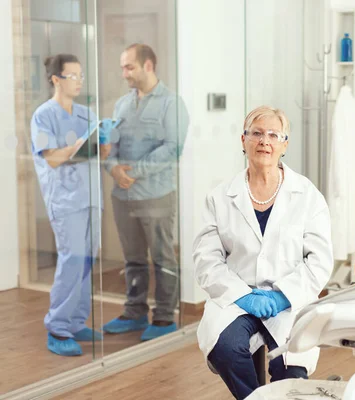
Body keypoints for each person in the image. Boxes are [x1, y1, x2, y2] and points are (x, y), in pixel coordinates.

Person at [193, 106, 334, 399]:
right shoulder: (220, 197)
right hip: (236, 298)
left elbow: (319, 262)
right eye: (256, 133)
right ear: (243, 140)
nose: (264, 141)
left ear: (285, 144)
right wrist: (243, 295)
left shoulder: (307, 195)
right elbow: (207, 260)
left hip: (288, 302)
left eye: (273, 135)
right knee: (226, 348)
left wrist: (283, 295)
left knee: (291, 368)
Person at [102, 44, 189, 341]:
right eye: (123, 67)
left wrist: (133, 172)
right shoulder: (122, 105)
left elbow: (172, 149)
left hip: (155, 195)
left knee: (163, 257)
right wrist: (113, 169)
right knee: (133, 258)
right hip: (122, 196)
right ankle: (135, 313)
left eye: (129, 67)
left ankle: (164, 319)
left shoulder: (171, 103)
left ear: (148, 66)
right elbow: (109, 143)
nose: (124, 72)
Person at [31, 54, 116, 356]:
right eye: (73, 76)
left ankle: (76, 321)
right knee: (72, 261)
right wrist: (79, 145)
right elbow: (51, 157)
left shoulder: (86, 113)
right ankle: (57, 327)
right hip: (66, 200)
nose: (79, 81)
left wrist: (103, 142)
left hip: (91, 198)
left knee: (87, 261)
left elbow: (101, 157)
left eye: (81, 75)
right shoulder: (44, 115)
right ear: (56, 79)